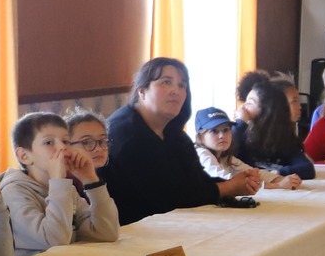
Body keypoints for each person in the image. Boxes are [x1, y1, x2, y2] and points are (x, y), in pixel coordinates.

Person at [104, 58, 257, 224]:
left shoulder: (174, 134)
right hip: (128, 230)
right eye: (166, 82)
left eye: (182, 85)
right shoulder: (125, 132)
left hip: (169, 225)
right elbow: (166, 197)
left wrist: (238, 182)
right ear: (142, 91)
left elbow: (194, 183)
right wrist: (228, 188)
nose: (175, 91)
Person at [0, 111, 121, 256]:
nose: (62, 148)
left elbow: (106, 233)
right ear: (24, 155)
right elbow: (54, 240)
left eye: (66, 141)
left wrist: (91, 181)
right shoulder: (13, 191)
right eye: (49, 143)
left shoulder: (65, 188)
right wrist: (58, 182)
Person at [236, 77, 312, 185]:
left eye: (250, 103)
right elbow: (228, 159)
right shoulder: (240, 132)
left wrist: (276, 173)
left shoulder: (284, 138)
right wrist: (240, 122)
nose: (243, 108)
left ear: (266, 110)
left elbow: (307, 168)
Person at [193, 107, 263, 186]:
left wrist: (277, 180)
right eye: (214, 131)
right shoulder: (201, 154)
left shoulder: (225, 157)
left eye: (226, 130)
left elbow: (256, 173)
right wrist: (263, 185)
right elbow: (225, 182)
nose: (222, 136)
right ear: (200, 137)